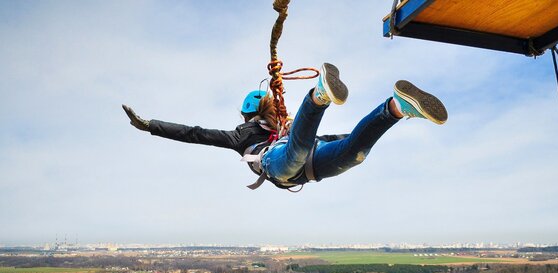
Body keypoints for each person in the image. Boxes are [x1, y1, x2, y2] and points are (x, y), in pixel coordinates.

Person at [122, 63, 447, 190]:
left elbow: (321, 138)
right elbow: (193, 134)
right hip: (285, 163)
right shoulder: (243, 136)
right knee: (302, 147)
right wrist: (150, 125)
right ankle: (325, 98)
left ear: (248, 112)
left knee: (354, 154)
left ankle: (395, 107)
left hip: (297, 160)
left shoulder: (285, 128)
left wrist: (351, 137)